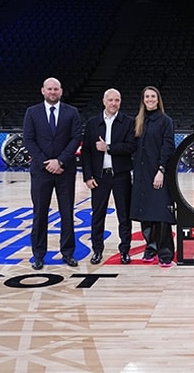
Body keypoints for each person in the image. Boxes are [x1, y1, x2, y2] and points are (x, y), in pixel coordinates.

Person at [23, 77, 82, 270]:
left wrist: (60, 161)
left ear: (61, 91)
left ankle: (68, 253)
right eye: (49, 89)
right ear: (42, 91)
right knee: (40, 214)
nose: (53, 92)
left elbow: (75, 139)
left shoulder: (71, 112)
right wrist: (46, 163)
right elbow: (29, 140)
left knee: (67, 214)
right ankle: (39, 254)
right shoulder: (32, 112)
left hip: (65, 170)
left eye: (56, 89)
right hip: (41, 172)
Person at [81, 88, 136, 265]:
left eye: (117, 100)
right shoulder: (92, 123)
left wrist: (109, 148)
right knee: (97, 215)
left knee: (124, 216)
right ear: (104, 101)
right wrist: (88, 176)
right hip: (99, 177)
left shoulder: (128, 122)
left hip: (121, 176)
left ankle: (125, 251)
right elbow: (86, 152)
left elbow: (131, 147)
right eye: (111, 100)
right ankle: (97, 250)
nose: (114, 103)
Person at [130, 86, 177, 268]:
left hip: (158, 173)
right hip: (141, 175)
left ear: (158, 100)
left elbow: (168, 146)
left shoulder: (166, 121)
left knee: (161, 214)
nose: (149, 99)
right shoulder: (138, 121)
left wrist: (161, 169)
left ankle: (165, 254)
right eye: (146, 97)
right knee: (145, 213)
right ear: (143, 100)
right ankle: (151, 248)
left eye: (153, 97)